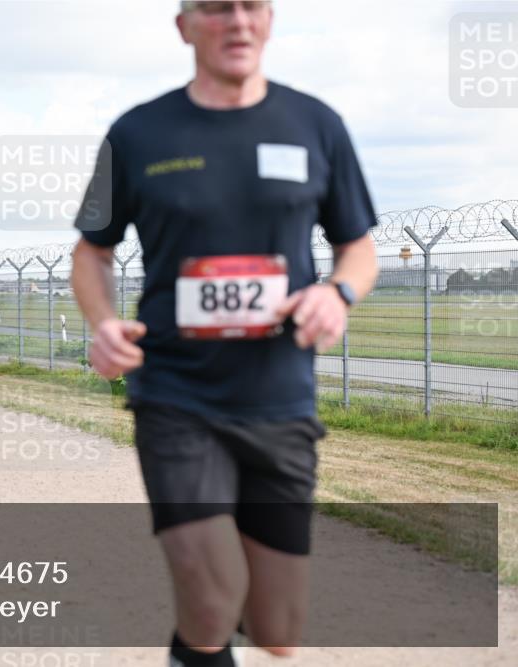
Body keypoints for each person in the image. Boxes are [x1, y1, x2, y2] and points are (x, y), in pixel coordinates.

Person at [70, 2, 379, 666]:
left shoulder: (316, 125)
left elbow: (359, 247)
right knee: (211, 597)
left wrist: (338, 291)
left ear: (269, 22)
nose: (235, 21)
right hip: (176, 392)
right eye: (215, 7)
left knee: (277, 630)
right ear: (184, 25)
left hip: (280, 396)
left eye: (251, 7)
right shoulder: (136, 133)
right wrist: (102, 323)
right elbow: (91, 251)